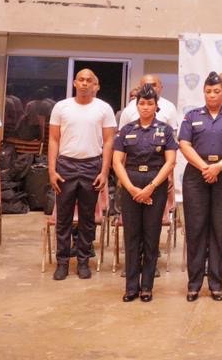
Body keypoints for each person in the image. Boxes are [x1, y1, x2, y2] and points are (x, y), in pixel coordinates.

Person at [179, 72, 222, 302]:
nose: (212, 95)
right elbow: (184, 144)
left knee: (220, 229)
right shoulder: (192, 116)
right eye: (208, 91)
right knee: (196, 230)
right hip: (196, 176)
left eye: (217, 91)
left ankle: (216, 284)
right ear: (203, 92)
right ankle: (194, 284)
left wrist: (219, 167)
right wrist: (205, 167)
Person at [47, 69, 117, 280]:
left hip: (91, 166)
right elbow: (53, 139)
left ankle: (83, 261)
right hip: (66, 165)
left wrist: (104, 171)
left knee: (87, 219)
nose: (85, 83)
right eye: (81, 79)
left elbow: (109, 142)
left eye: (89, 80)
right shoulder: (61, 107)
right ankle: (62, 262)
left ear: (95, 85)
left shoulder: (104, 108)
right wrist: (52, 170)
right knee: (63, 218)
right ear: (75, 83)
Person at [113, 85, 177, 302]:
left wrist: (151, 187)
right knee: (131, 236)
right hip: (130, 182)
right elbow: (117, 162)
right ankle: (131, 287)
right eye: (142, 103)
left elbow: (170, 162)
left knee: (151, 235)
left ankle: (147, 286)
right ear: (136, 105)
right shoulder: (126, 130)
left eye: (150, 103)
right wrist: (131, 188)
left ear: (156, 106)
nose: (146, 107)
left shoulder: (165, 130)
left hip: (155, 183)